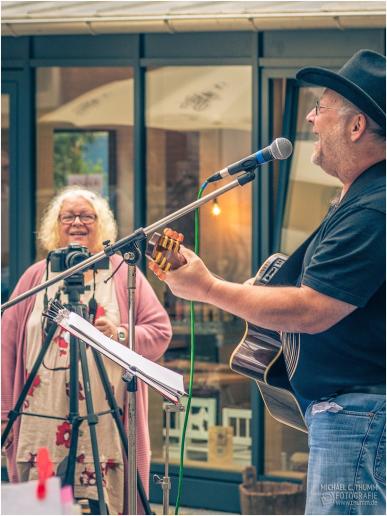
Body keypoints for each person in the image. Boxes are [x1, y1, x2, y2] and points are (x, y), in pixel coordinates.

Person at [149, 49, 386, 515]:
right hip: (350, 417)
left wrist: (210, 289)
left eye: (321, 107)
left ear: (356, 127)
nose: (312, 119)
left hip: (357, 418)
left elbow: (315, 308)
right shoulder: (357, 201)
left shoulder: (374, 209)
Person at [2, 187, 172, 514]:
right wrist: (3, 412)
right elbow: (6, 348)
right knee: (42, 507)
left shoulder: (123, 273)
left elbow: (161, 331)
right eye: (69, 216)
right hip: (42, 422)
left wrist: (120, 333)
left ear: (101, 225)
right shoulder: (35, 277)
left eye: (86, 216)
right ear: (56, 225)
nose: (77, 222)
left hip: (106, 422)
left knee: (102, 505)